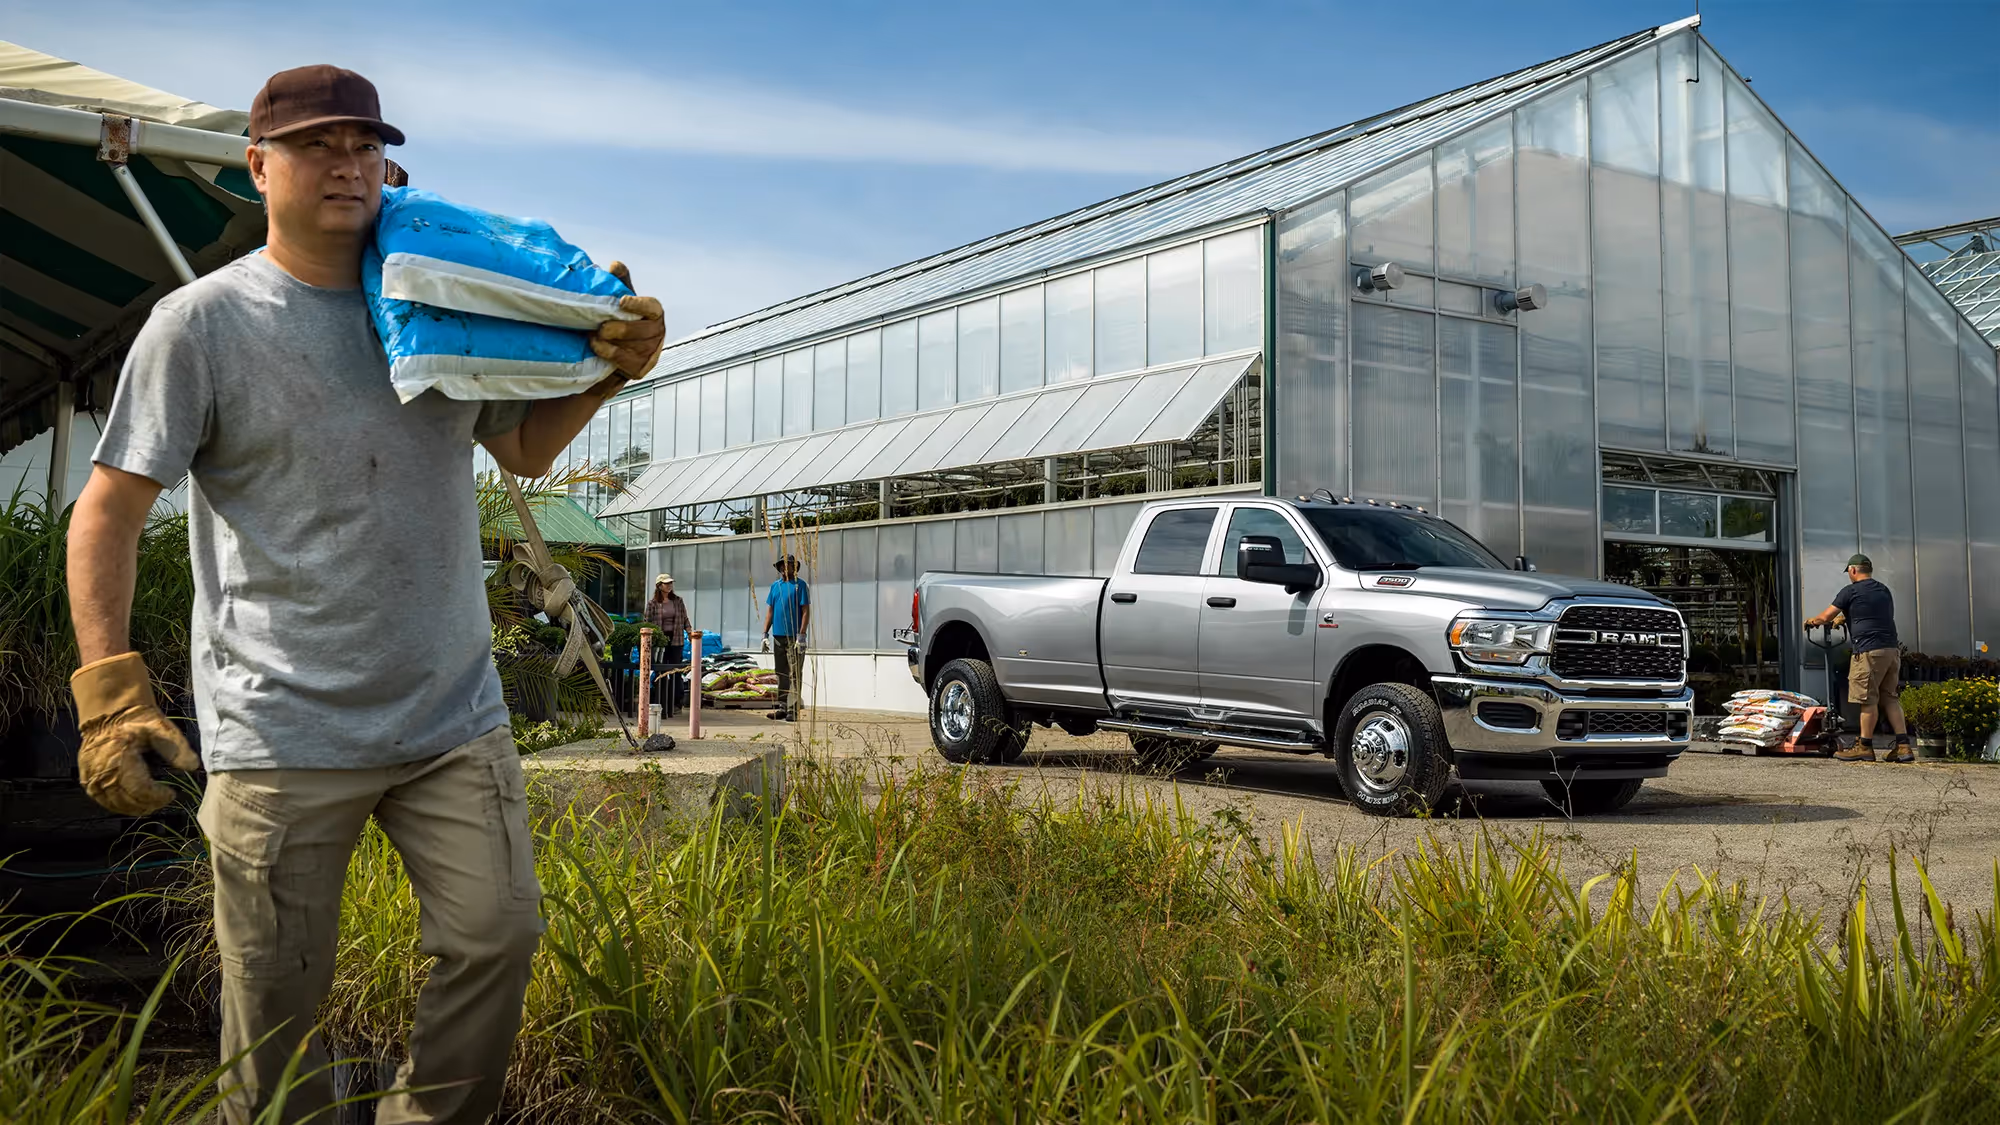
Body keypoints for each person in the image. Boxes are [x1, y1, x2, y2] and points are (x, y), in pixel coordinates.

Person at [63, 65, 665, 1124]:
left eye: (362, 147)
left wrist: (605, 371)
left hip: (449, 713)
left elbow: (520, 449)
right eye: (314, 146)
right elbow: (106, 510)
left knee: (498, 936)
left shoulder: (432, 299)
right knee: (276, 1012)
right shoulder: (201, 325)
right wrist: (112, 694)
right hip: (281, 726)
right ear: (259, 168)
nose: (345, 165)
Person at [1805, 554, 1911, 763]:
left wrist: (1813, 621)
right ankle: (1904, 747)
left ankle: (1864, 746)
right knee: (1890, 697)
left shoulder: (1850, 591)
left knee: (1867, 700)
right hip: (1891, 650)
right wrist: (1844, 618)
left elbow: (1824, 617)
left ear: (1853, 571)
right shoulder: (1883, 590)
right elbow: (1873, 613)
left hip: (1869, 652)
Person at [762, 554, 811, 722]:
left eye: (788, 565)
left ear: (794, 567)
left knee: (795, 673)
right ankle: (782, 706)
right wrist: (765, 634)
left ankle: (793, 709)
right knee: (781, 673)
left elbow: (805, 610)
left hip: (794, 637)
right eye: (781, 565)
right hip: (778, 636)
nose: (784, 568)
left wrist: (802, 634)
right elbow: (770, 611)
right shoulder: (775, 586)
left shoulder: (800, 585)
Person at [645, 573, 691, 657]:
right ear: (659, 586)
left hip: (676, 637)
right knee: (660, 664)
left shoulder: (678, 601)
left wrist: (689, 632)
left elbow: (684, 618)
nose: (669, 585)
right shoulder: (652, 604)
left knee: (675, 665)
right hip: (660, 639)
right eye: (666, 583)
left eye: (670, 583)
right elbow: (647, 622)